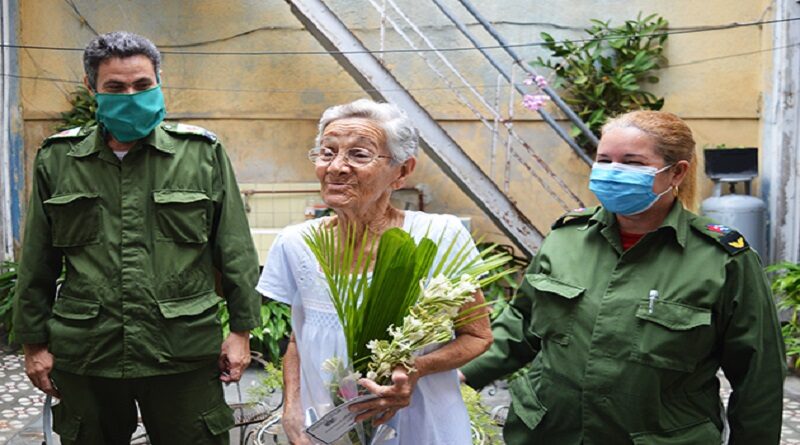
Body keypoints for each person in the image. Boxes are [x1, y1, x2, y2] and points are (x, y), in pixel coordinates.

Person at [461, 110, 786, 444]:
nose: (613, 172)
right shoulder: (566, 238)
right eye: (604, 160)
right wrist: (456, 372)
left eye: (632, 163)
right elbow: (521, 324)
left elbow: (758, 376)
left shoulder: (722, 259)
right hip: (548, 433)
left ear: (676, 172)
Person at [13, 31, 261, 445]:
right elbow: (37, 260)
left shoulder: (200, 154)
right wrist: (33, 344)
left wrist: (241, 331)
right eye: (116, 87)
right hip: (89, 354)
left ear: (159, 81)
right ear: (93, 88)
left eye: (142, 85)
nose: (131, 94)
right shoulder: (58, 159)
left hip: (181, 352)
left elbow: (234, 249)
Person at [256, 99, 493, 445]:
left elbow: (478, 335)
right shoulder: (296, 243)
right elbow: (298, 337)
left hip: (422, 422)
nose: (336, 167)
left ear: (402, 171)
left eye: (359, 155)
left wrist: (415, 369)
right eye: (327, 152)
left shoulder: (440, 237)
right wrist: (291, 408)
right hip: (330, 426)